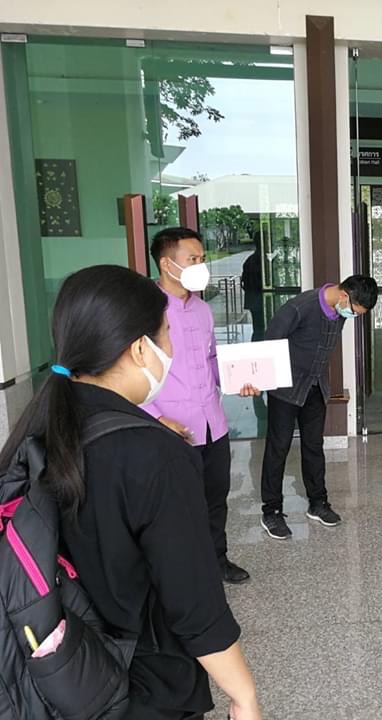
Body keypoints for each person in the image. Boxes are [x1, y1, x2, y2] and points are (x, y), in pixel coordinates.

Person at [0, 265, 261, 720]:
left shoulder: (38, 430)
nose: (171, 348)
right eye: (166, 334)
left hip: (57, 674)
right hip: (141, 685)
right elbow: (194, 606)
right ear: (140, 348)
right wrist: (245, 697)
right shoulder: (156, 456)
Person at [143, 227, 257, 585]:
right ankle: (179, 572)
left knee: (215, 498)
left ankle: (217, 560)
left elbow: (210, 360)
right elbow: (131, 372)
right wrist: (157, 419)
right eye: (192, 259)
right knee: (175, 506)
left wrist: (237, 380)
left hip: (213, 423)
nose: (201, 266)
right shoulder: (145, 312)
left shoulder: (203, 310)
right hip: (171, 427)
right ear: (167, 264)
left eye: (202, 259)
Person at [259, 275, 379, 540]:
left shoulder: (340, 311)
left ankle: (318, 502)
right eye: (355, 311)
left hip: (315, 387)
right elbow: (269, 341)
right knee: (278, 448)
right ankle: (272, 510)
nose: (353, 316)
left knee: (314, 446)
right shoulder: (299, 307)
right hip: (286, 389)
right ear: (345, 296)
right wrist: (261, 380)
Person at [241, 231, 266, 342]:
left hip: (253, 300)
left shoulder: (249, 260)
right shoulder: (261, 260)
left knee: (258, 329)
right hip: (259, 301)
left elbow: (244, 282)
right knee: (260, 330)